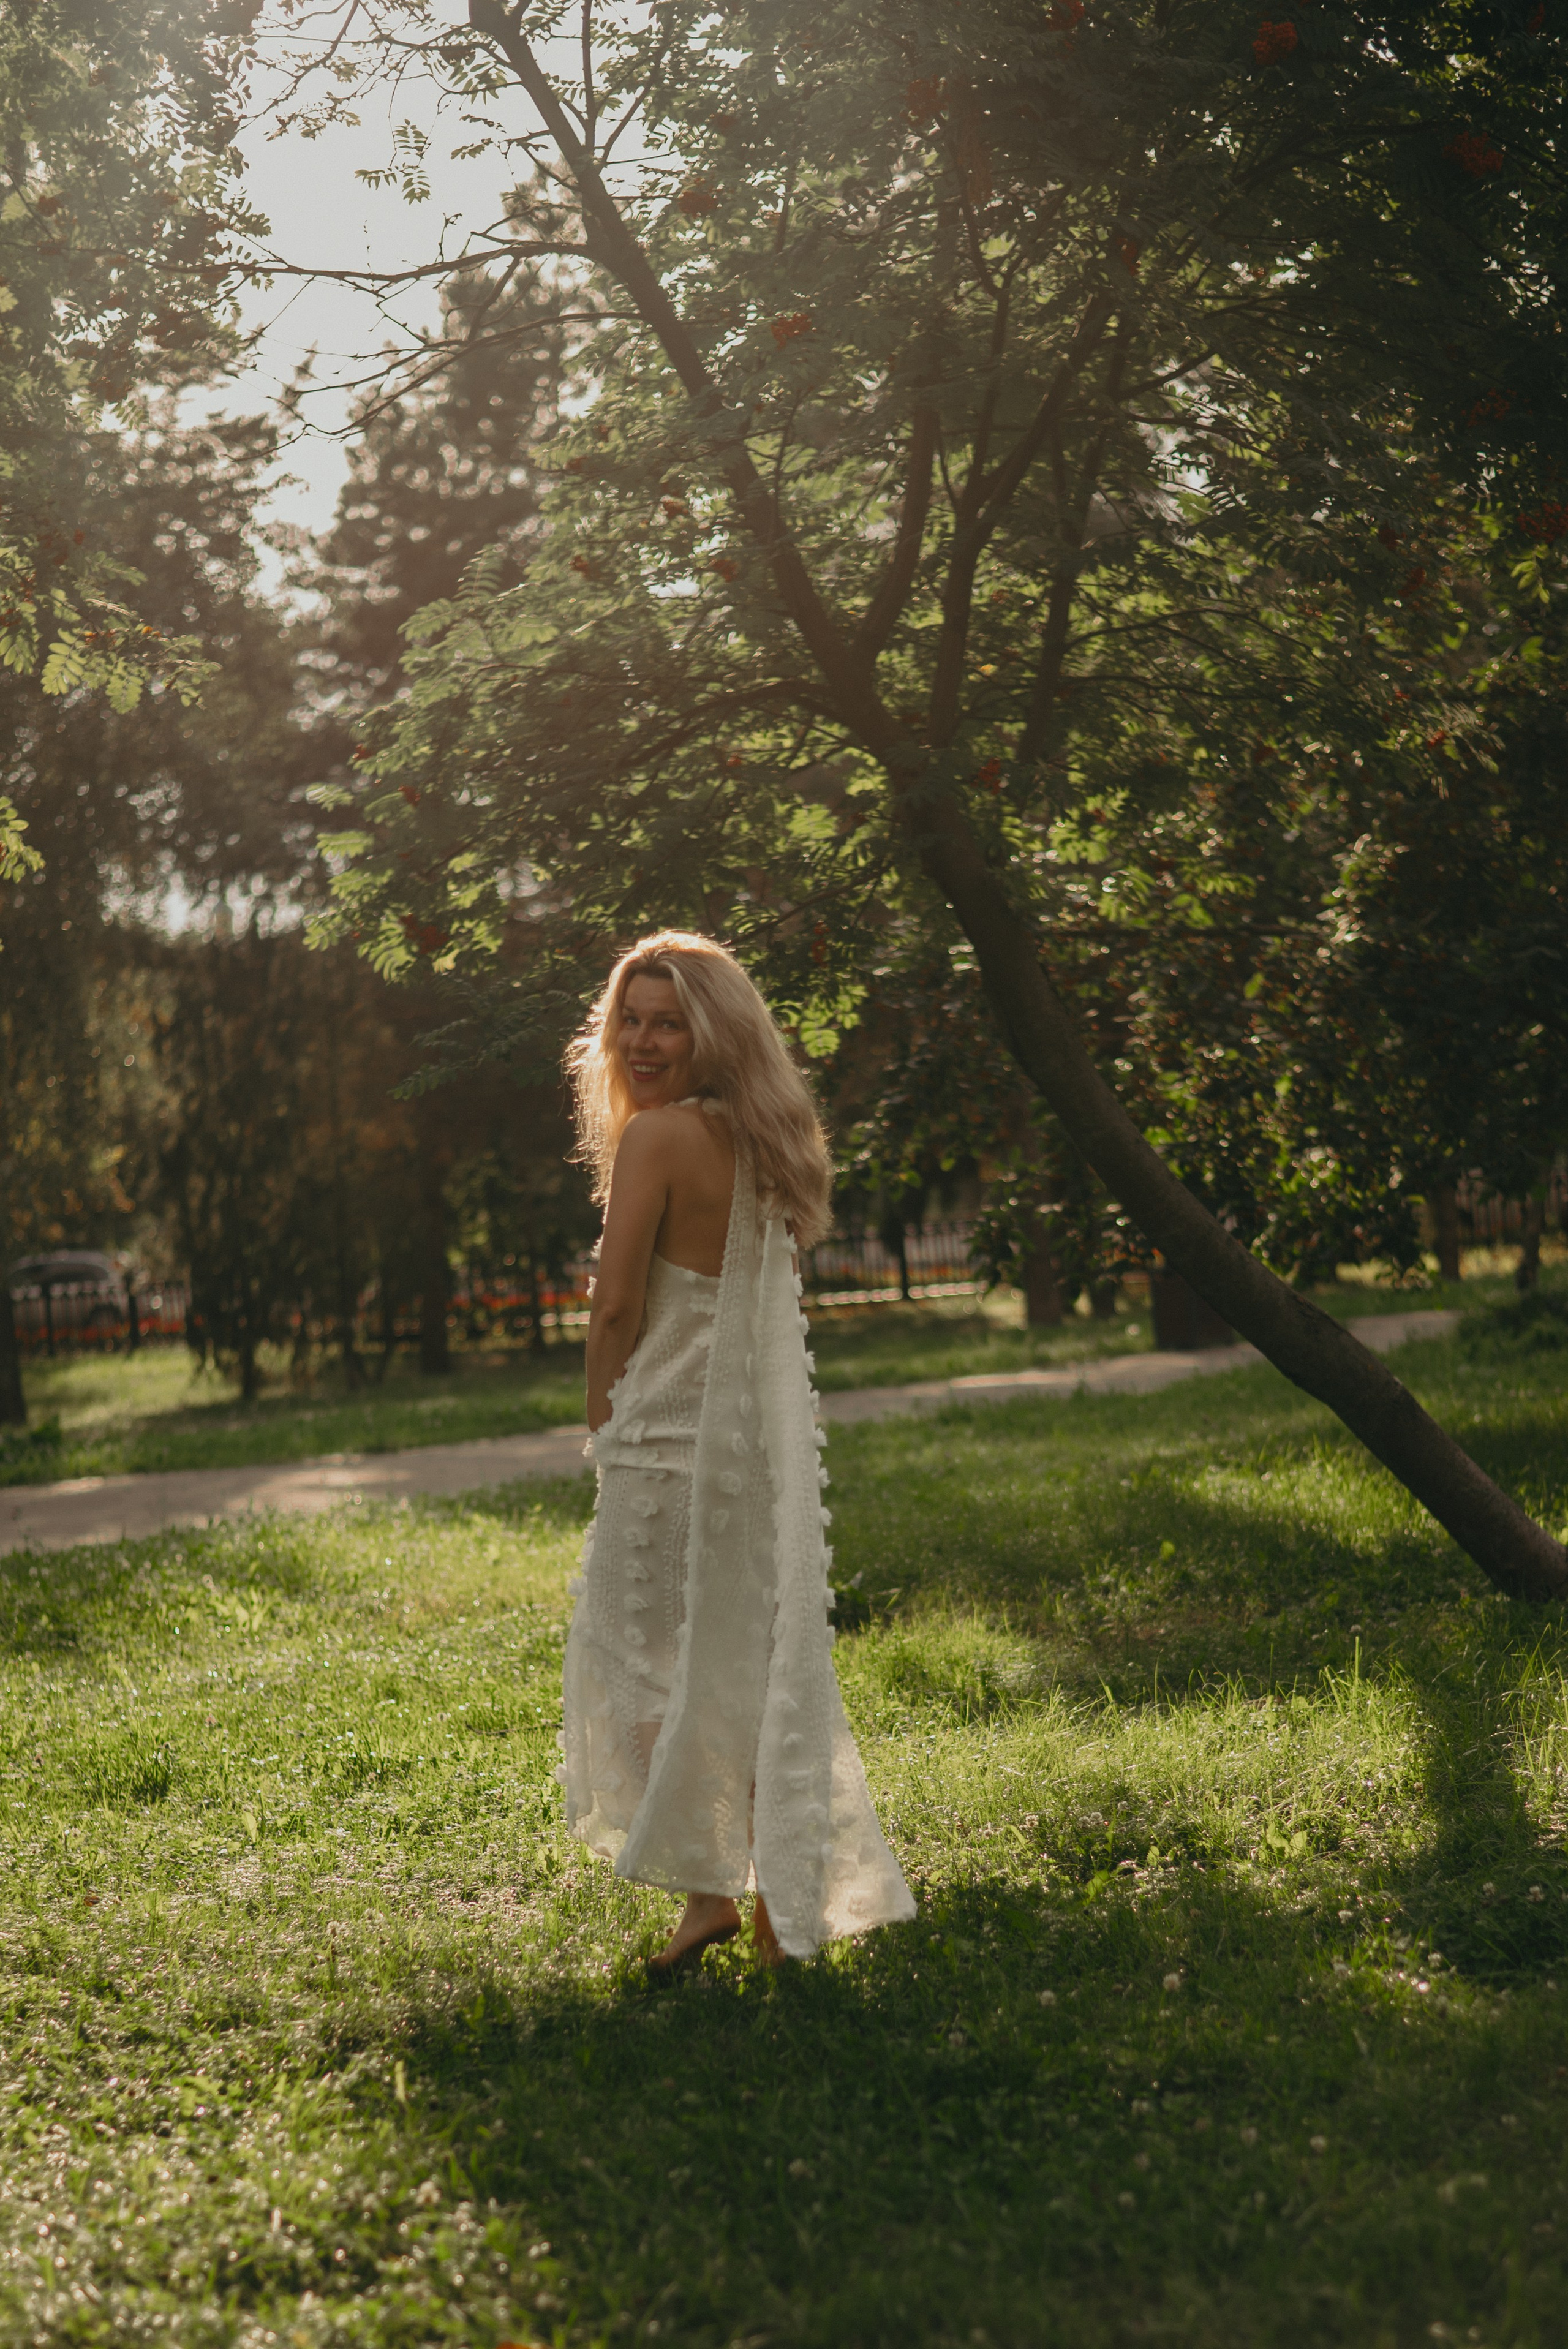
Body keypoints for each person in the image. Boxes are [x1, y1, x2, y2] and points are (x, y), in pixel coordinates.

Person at [557, 930, 915, 1969]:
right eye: (630, 1018)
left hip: (665, 1442)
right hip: (754, 1450)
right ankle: (735, 1899)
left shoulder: (659, 1140)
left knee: (634, 1663)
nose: (643, 1039)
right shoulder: (768, 1135)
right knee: (730, 1665)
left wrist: (601, 1422)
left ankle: (727, 1888)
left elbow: (617, 1303)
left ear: (712, 1032)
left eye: (668, 1021)